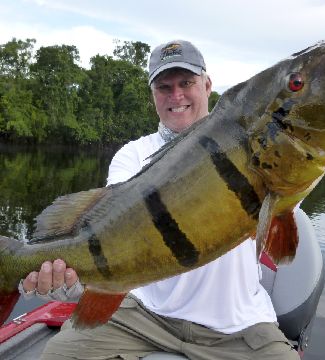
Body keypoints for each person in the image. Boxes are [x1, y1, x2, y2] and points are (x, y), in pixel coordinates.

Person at [20, 40, 300, 360]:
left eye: (186, 83)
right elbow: (107, 235)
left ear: (207, 85)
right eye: (164, 87)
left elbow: (281, 222)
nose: (176, 95)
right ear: (153, 95)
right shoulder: (133, 155)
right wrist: (59, 273)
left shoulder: (258, 149)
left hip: (236, 325)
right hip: (142, 313)